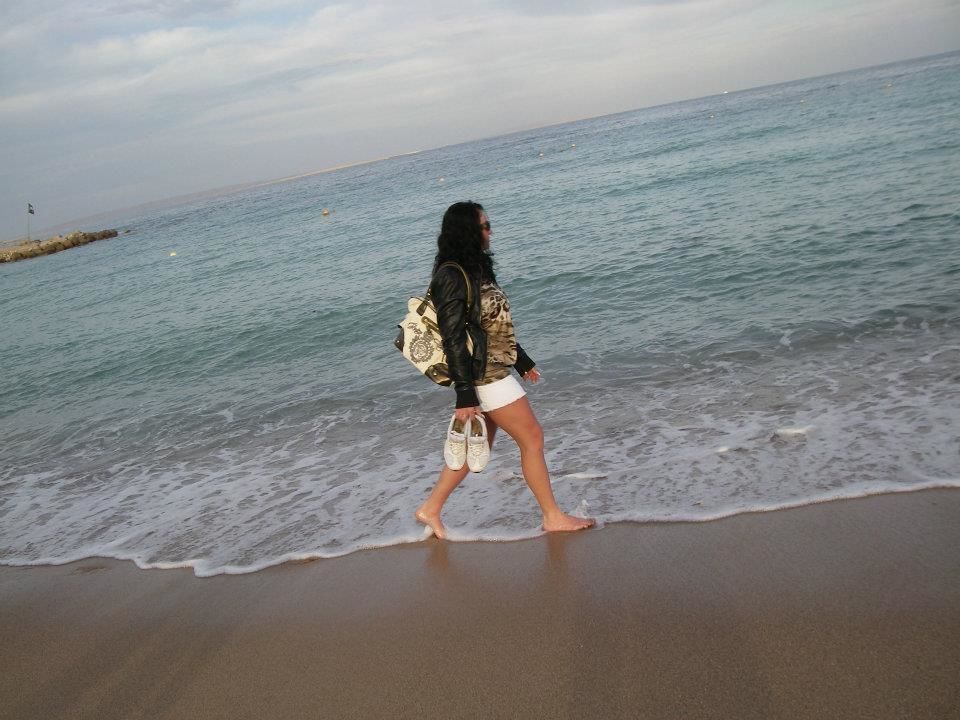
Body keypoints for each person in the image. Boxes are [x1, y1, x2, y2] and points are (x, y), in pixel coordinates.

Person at [415, 201, 596, 539]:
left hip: (493, 369)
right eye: (484, 226)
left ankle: (431, 508)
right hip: (484, 376)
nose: (490, 231)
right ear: (468, 231)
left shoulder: (476, 269)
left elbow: (492, 326)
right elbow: (454, 339)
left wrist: (521, 360)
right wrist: (465, 394)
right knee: (533, 438)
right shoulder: (451, 276)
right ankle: (552, 516)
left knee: (479, 444)